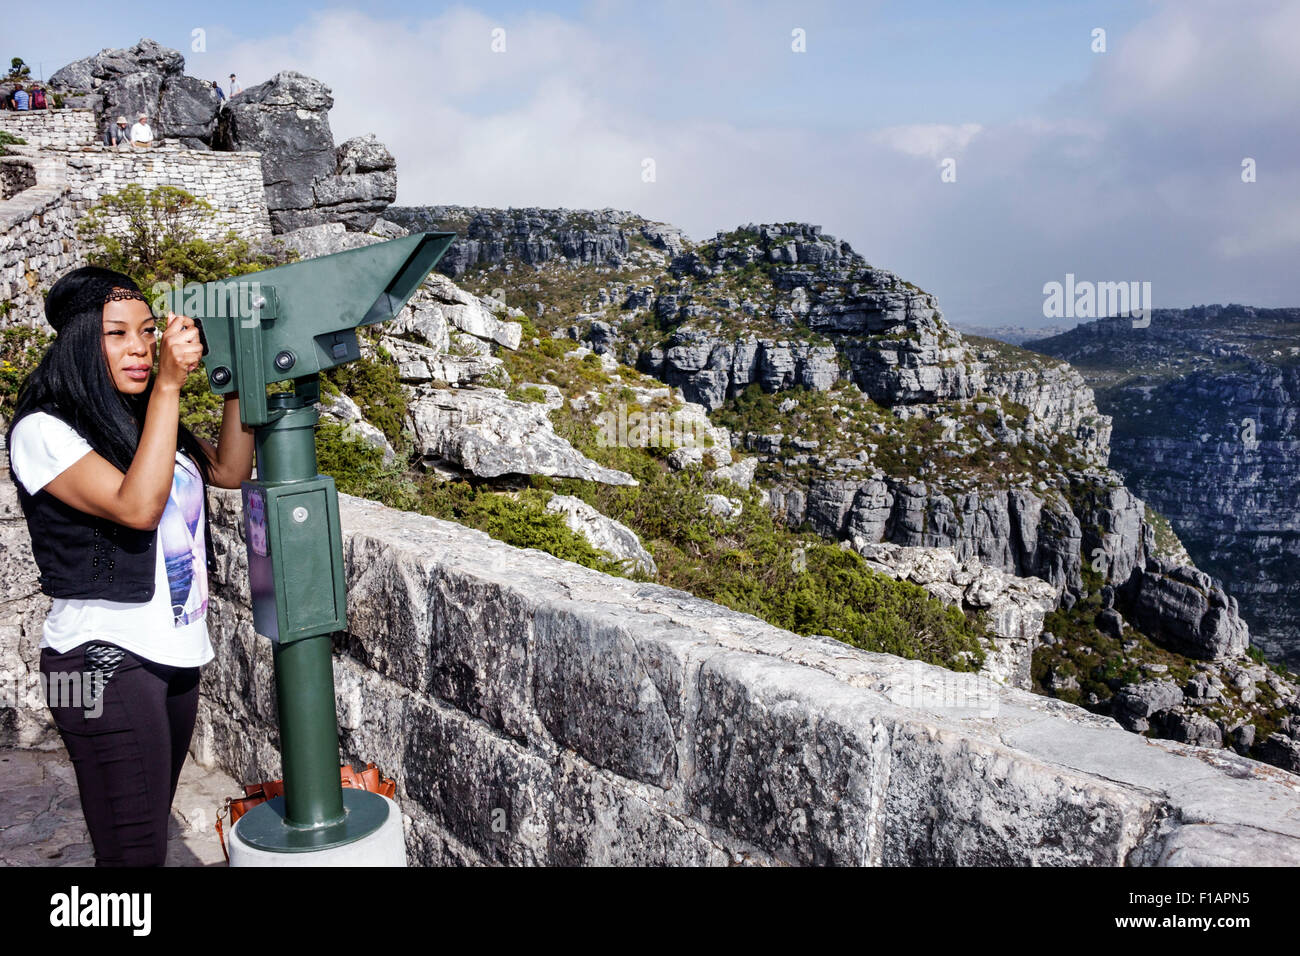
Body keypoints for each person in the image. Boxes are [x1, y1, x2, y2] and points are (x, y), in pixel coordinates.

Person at [6, 266, 255, 867]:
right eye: (116, 334)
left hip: (174, 655)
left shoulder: (141, 422)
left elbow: (228, 470)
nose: (140, 347)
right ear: (78, 343)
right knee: (134, 856)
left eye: (147, 331)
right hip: (94, 661)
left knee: (139, 846)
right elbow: (137, 508)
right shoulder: (43, 430)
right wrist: (168, 387)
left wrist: (239, 376)